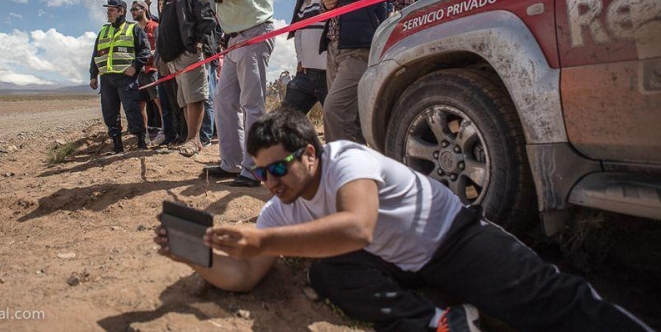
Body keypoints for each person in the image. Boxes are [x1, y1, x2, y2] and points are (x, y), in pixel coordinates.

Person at [154, 108, 651, 332]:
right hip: (397, 264)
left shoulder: (346, 159)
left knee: (549, 305)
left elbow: (357, 228)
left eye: (278, 168)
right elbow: (242, 276)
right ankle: (440, 324)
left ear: (309, 152)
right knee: (328, 271)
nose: (270, 182)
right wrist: (193, 256)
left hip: (455, 242)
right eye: (261, 174)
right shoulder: (278, 205)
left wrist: (261, 242)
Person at [194, 0, 275, 188]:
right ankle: (232, 163)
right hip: (234, 40)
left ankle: (254, 170)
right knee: (224, 101)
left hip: (253, 35)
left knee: (252, 105)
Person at [320, 0, 413, 143]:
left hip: (360, 49)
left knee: (335, 111)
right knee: (353, 118)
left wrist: (389, 30)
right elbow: (332, 7)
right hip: (334, 49)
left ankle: (341, 172)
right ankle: (361, 172)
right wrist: (325, 4)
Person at [157, 0, 217, 158]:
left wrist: (197, 42)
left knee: (195, 96)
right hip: (174, 58)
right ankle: (191, 138)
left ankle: (195, 138)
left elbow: (207, 17)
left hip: (189, 52)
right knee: (184, 99)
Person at [89, 0, 151, 152]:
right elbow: (95, 55)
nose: (108, 13)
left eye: (111, 10)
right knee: (110, 112)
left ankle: (141, 142)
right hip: (107, 79)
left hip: (126, 78)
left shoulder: (133, 29)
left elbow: (145, 51)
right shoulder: (103, 31)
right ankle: (117, 145)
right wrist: (93, 75)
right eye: (108, 10)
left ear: (121, 11)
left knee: (132, 109)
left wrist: (135, 67)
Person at [282, 0, 334, 115]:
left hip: (330, 73)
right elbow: (298, 32)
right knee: (286, 117)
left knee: (338, 122)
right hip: (306, 72)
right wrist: (300, 59)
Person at [130, 0, 162, 140]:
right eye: (131, 10)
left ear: (143, 10)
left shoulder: (155, 27)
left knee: (158, 100)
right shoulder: (133, 30)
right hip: (138, 72)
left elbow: (162, 47)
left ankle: (167, 131)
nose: (132, 12)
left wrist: (148, 55)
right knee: (140, 103)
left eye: (135, 9)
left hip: (152, 69)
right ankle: (144, 135)